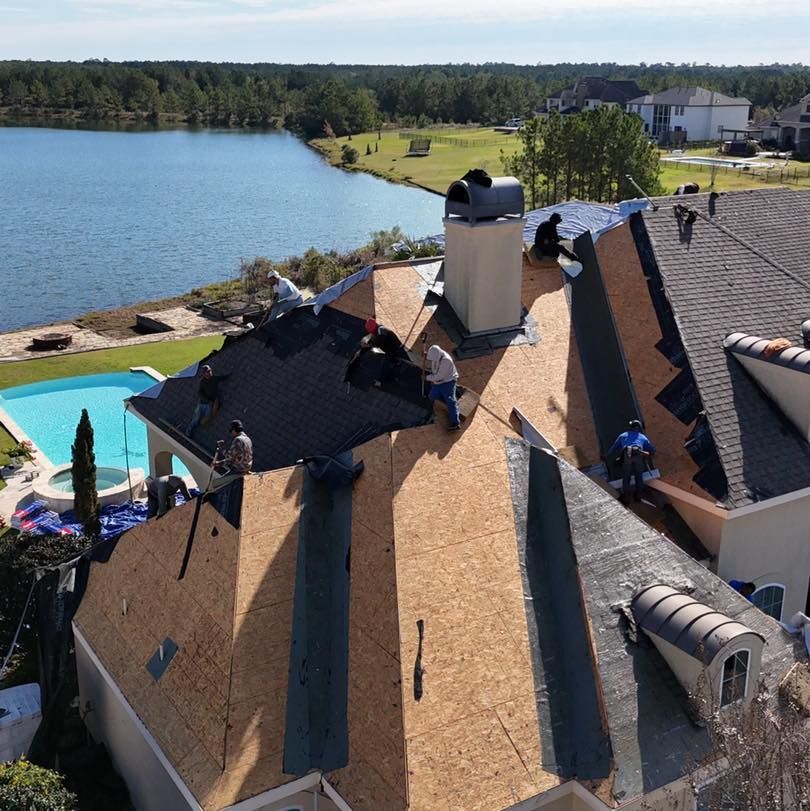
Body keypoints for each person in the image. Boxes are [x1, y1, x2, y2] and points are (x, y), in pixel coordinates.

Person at [345, 318, 406, 385]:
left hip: (393, 347)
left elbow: (379, 345)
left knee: (386, 362)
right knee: (369, 347)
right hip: (389, 343)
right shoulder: (380, 328)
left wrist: (369, 345)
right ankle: (395, 361)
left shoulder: (381, 334)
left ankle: (380, 381)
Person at [607, 419, 656, 501]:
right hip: (639, 455)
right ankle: (638, 496)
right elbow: (651, 449)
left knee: (626, 477)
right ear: (639, 428)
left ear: (630, 427)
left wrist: (607, 455)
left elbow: (614, 447)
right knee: (639, 477)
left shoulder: (623, 435)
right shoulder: (642, 437)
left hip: (627, 455)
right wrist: (652, 452)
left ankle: (626, 497)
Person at [186, 364, 230, 437]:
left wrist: (230, 374)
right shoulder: (202, 382)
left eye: (209, 371)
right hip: (202, 404)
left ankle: (199, 431)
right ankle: (189, 432)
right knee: (195, 418)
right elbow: (200, 392)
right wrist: (206, 399)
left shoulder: (215, 379)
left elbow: (222, 378)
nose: (209, 373)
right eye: (207, 372)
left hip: (210, 404)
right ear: (203, 374)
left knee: (206, 419)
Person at [424, 344, 460, 431]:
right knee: (432, 396)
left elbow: (438, 376)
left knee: (450, 400)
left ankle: (455, 423)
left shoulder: (446, 361)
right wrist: (427, 356)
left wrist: (426, 378)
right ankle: (445, 396)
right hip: (438, 382)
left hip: (448, 381)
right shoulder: (438, 356)